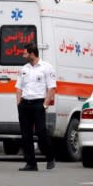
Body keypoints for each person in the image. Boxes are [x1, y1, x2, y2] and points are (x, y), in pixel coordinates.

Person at [15, 43, 57, 171]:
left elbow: (51, 88)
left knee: (41, 132)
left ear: (32, 53)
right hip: (25, 104)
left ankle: (50, 157)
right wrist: (19, 104)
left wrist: (45, 105)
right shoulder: (24, 69)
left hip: (39, 103)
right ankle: (31, 163)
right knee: (25, 134)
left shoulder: (46, 67)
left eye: (25, 53)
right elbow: (18, 88)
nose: (23, 55)